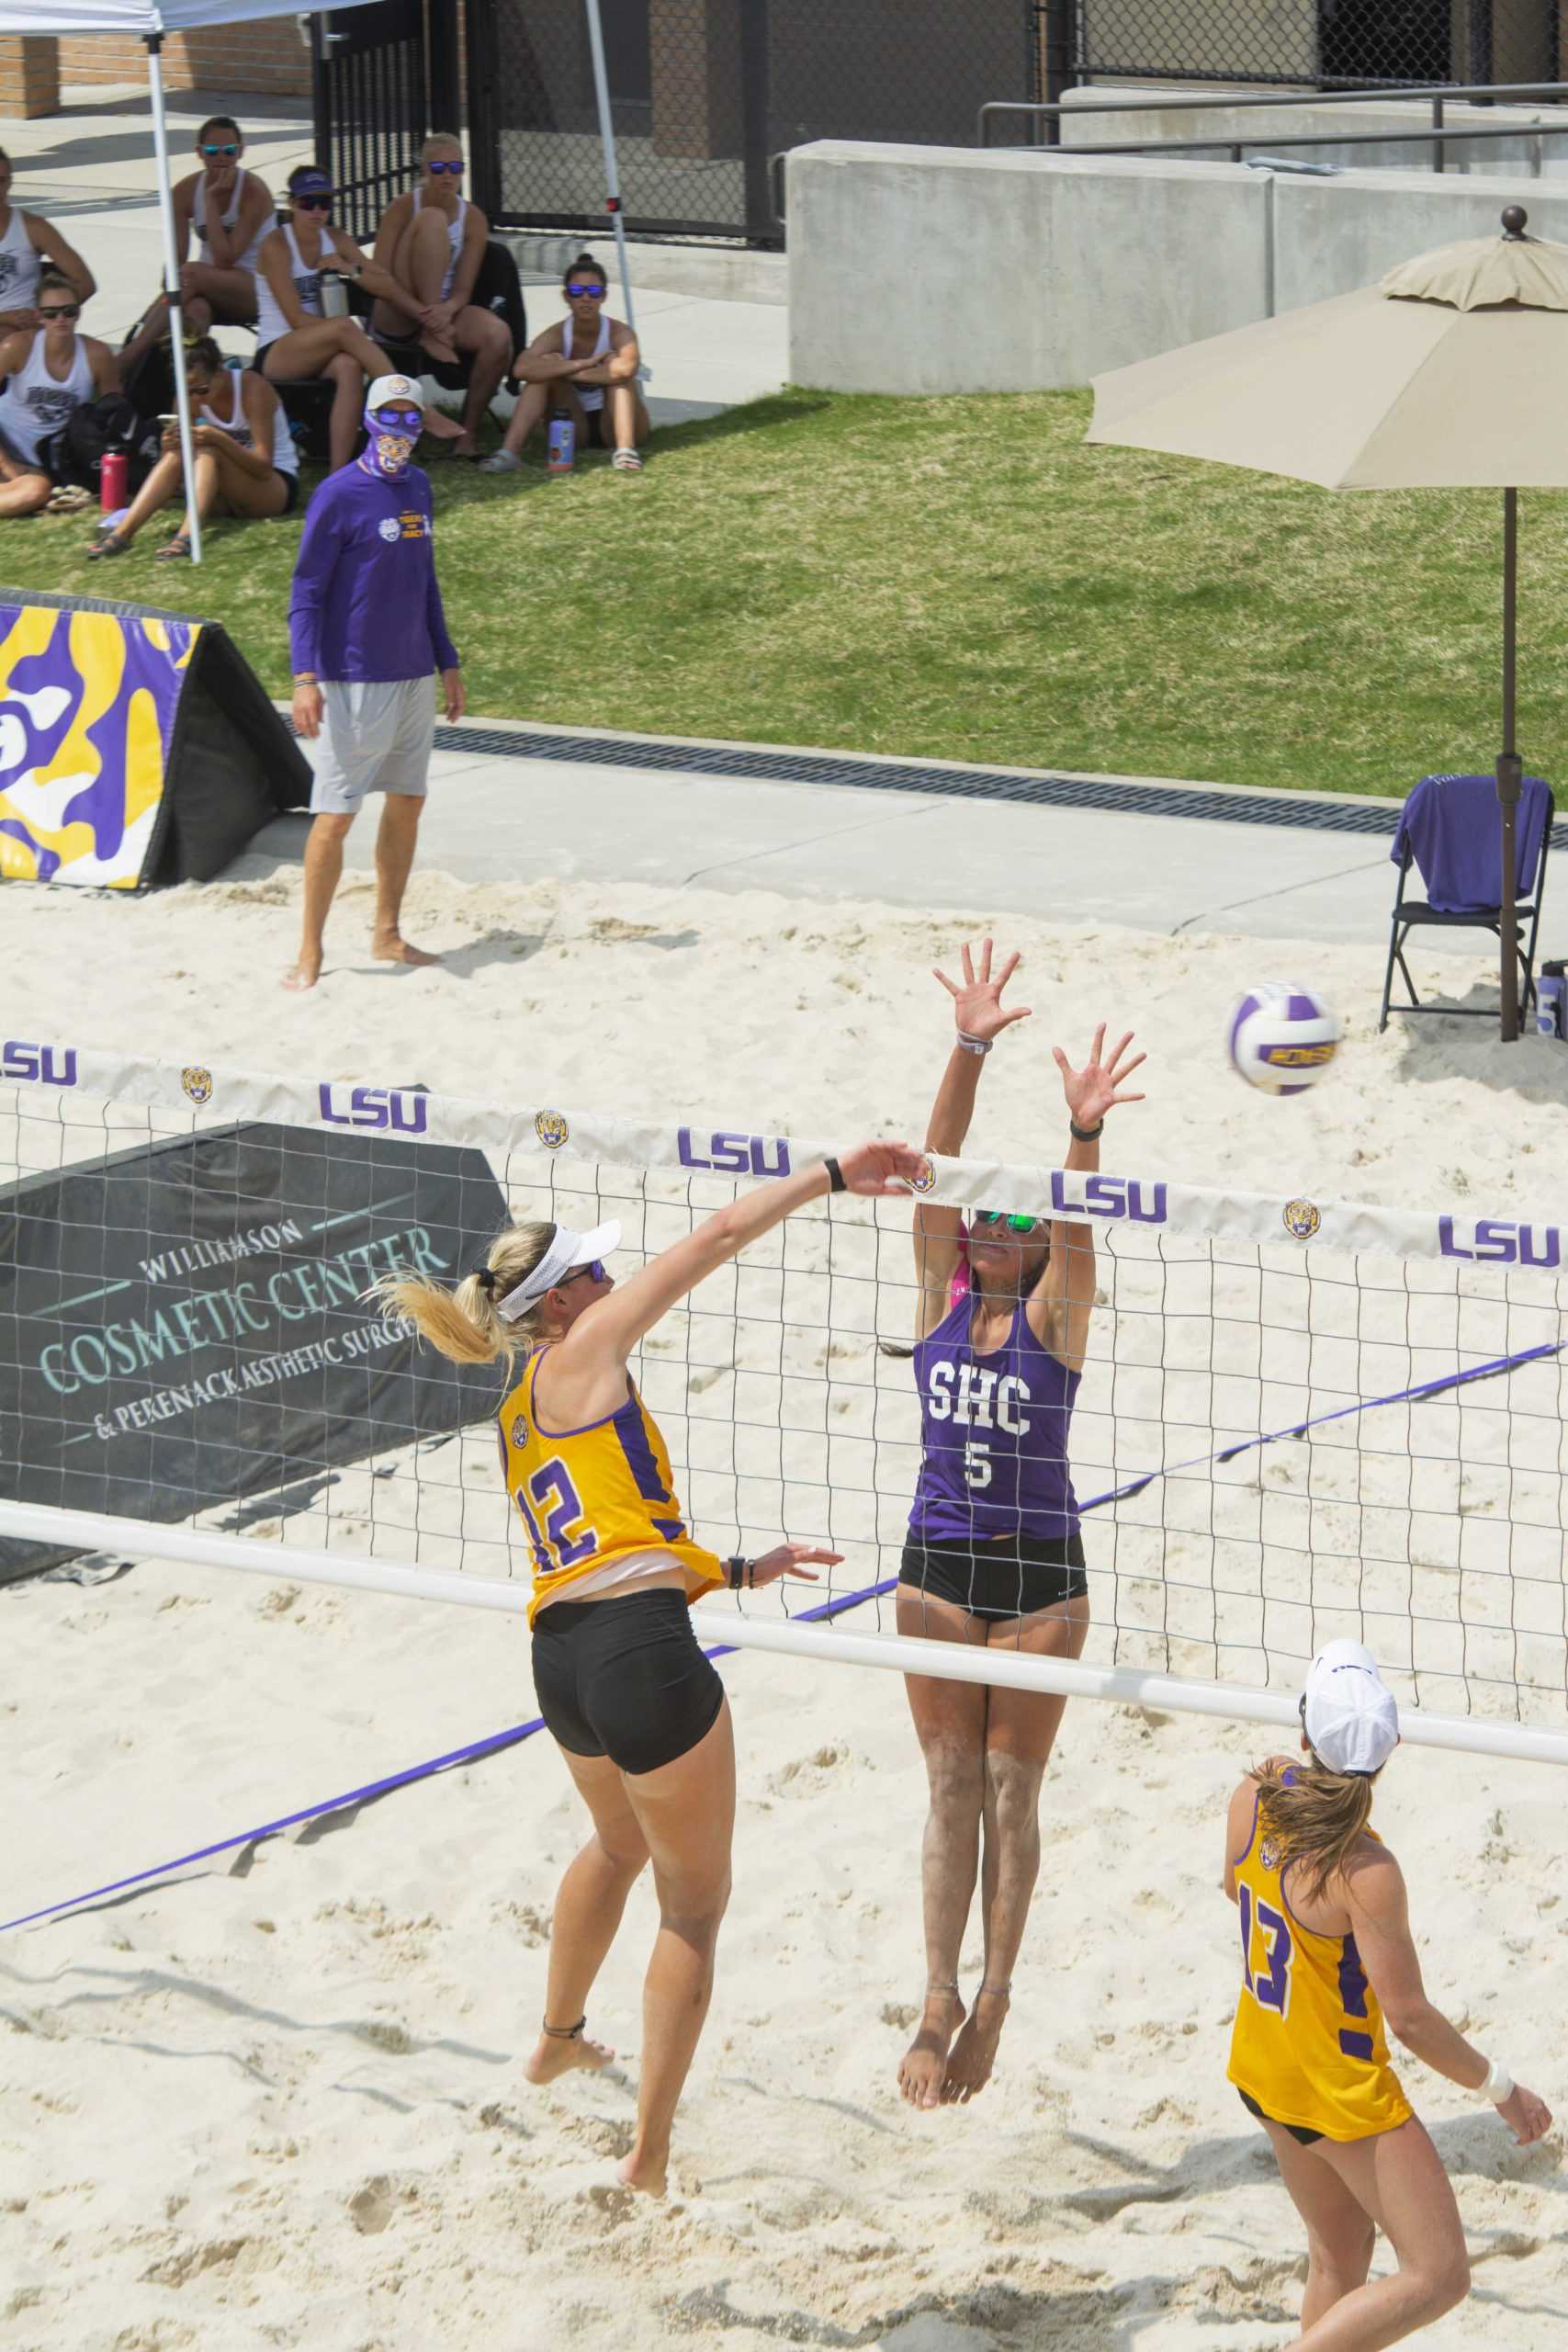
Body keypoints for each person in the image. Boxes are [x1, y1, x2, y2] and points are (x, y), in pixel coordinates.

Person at [378, 1139, 924, 2193]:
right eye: (591, 1271)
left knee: (617, 1840)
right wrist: (833, 1175)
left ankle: (555, 2035)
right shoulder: (586, 1352)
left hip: (565, 1664)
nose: (609, 1279)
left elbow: (606, 1538)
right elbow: (716, 1238)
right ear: (557, 1303)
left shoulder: (522, 1399)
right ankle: (649, 2154)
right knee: (693, 1907)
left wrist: (732, 1567)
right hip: (641, 1659)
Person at [896, 939, 1145, 2110]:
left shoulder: (1059, 1313)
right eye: (982, 1217)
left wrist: (1081, 1135)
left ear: (1040, 1244)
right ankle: (937, 1995)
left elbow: (1076, 1215)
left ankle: (996, 2000)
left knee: (1009, 1794)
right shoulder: (939, 1295)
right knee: (948, 1788)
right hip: (937, 1565)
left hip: (1043, 1575)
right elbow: (935, 1169)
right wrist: (969, 1045)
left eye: (1014, 1216)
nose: (989, 1222)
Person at [1225, 1639, 1551, 2347]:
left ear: (1304, 1731)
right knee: (1439, 2274)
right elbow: (1407, 2018)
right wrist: (1500, 2086)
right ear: (1391, 1745)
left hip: (1262, 2062)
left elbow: (1235, 1888)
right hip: (1337, 2094)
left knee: (1340, 2256)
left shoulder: (1254, 1791)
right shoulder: (1365, 1868)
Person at [285, 373, 464, 991]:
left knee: (408, 800)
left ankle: (386, 932)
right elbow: (306, 590)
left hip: (413, 672)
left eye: (411, 418)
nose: (400, 429)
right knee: (336, 814)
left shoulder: (418, 486)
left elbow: (426, 581)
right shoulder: (339, 495)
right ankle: (309, 950)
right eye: (388, 417)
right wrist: (304, 676)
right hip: (353, 677)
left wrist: (448, 660)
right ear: (367, 420)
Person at [254, 164, 459, 473]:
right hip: (277, 350)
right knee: (345, 328)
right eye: (309, 203)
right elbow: (295, 318)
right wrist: (344, 335)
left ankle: (339, 473)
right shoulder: (277, 245)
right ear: (293, 204)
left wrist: (350, 269)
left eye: (325, 203)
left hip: (324, 346)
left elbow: (386, 285)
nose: (317, 211)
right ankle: (416, 406)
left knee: (349, 367)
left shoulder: (336, 238)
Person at [86, 337, 297, 562]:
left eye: (202, 389)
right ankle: (122, 533)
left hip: (273, 485)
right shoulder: (190, 393)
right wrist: (168, 443)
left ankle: (186, 537)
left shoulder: (252, 388)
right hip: (222, 490)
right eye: (187, 390)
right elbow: (176, 460)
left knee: (208, 450)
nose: (196, 397)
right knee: (184, 451)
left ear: (219, 370)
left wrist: (220, 439)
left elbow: (263, 466)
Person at [368, 133, 511, 460]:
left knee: (498, 335)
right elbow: (379, 279)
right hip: (398, 306)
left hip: (441, 314)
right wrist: (424, 317)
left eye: (455, 167)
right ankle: (430, 333)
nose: (447, 175)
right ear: (424, 170)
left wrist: (444, 311)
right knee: (431, 219)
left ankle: (467, 434)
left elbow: (462, 290)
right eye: (438, 168)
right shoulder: (403, 207)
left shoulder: (472, 217)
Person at [118, 116, 274, 370]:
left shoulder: (253, 191)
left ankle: (131, 355)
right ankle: (198, 379)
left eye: (230, 151)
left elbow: (226, 259)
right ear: (199, 153)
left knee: (190, 274)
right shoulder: (184, 192)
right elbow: (176, 261)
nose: (222, 158)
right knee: (193, 315)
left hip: (256, 290)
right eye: (213, 152)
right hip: (207, 287)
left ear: (241, 151)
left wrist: (211, 200)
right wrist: (171, 280)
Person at [479, 254, 648, 477]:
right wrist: (580, 364)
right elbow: (522, 369)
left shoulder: (619, 332)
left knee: (615, 371)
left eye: (594, 292)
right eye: (577, 291)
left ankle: (626, 451)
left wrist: (569, 371)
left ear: (603, 296)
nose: (585, 298)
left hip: (621, 420)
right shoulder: (557, 333)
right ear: (566, 297)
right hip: (573, 425)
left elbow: (626, 369)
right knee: (544, 369)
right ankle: (509, 453)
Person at [0, 271, 117, 518]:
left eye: (69, 311)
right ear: (38, 316)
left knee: (36, 490)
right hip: (6, 447)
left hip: (50, 461)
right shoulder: (18, 346)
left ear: (79, 313)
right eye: (51, 313)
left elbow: (116, 414)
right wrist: (7, 465)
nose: (60, 319)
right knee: (36, 490)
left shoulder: (97, 355)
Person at [0, 149, 95, 334]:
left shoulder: (34, 227)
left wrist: (47, 316)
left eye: (1, 180)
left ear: (10, 182)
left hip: (25, 330)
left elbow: (85, 283)